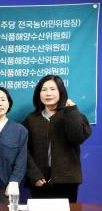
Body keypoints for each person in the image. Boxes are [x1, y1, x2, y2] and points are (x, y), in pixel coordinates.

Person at [23, 75, 92, 203]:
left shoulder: (73, 114)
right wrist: (33, 174)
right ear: (38, 94)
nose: (48, 93)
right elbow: (23, 150)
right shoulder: (31, 119)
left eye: (53, 89)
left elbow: (77, 138)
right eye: (44, 89)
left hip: (67, 180)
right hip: (40, 180)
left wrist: (71, 111)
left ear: (61, 92)